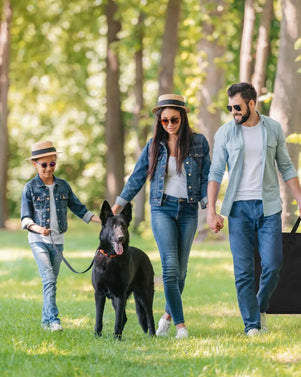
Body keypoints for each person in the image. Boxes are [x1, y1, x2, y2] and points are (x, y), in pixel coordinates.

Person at [207, 82, 301, 337]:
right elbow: (216, 172)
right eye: (230, 107)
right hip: (238, 210)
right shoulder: (225, 133)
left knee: (273, 264)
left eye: (237, 106)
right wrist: (211, 210)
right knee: (243, 270)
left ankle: (259, 307)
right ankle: (252, 325)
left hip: (269, 208)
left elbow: (286, 167)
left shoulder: (273, 129)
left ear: (252, 104)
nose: (233, 111)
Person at [112, 94, 210, 339]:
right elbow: (137, 177)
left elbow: (208, 175)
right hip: (162, 208)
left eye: (174, 120)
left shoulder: (198, 143)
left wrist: (210, 207)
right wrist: (119, 203)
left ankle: (167, 316)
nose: (169, 125)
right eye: (164, 121)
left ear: (183, 117)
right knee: (168, 269)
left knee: (182, 272)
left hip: (188, 210)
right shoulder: (154, 145)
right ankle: (181, 326)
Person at [21, 141, 101, 332]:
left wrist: (103, 220)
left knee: (51, 282)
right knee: (48, 279)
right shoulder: (30, 188)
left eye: (52, 164)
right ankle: (54, 320)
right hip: (38, 241)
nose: (49, 168)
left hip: (58, 241)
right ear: (34, 164)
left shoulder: (63, 186)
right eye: (44, 164)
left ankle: (46, 322)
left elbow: (80, 209)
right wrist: (38, 229)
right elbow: (25, 219)